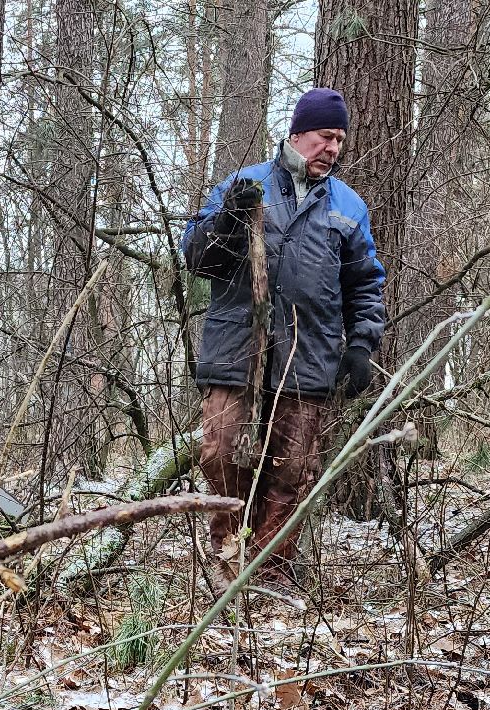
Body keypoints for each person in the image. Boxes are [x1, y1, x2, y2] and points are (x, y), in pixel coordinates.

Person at [181, 88, 386, 580]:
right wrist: (230, 218)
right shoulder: (244, 184)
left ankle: (269, 575)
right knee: (219, 453)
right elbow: (196, 256)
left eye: (340, 140)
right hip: (236, 350)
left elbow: (365, 284)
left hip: (309, 356)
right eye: (325, 136)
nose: (333, 148)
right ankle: (228, 564)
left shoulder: (348, 206)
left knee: (291, 469)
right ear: (297, 134)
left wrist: (361, 344)